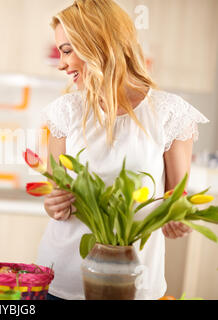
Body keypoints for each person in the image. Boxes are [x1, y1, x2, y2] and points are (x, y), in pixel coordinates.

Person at [37, 0, 209, 300]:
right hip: (65, 279)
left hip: (135, 281)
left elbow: (176, 200)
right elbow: (53, 197)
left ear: (99, 45)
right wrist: (53, 204)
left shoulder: (170, 114)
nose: (61, 64)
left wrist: (178, 220)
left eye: (67, 51)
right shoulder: (65, 112)